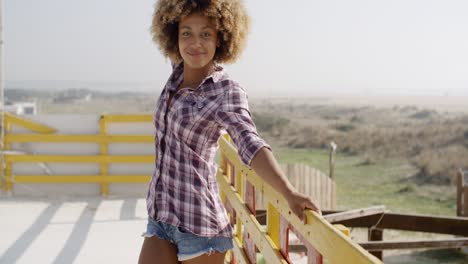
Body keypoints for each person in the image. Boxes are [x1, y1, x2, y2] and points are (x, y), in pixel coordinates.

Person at [138, 1, 321, 263]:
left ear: (221, 38)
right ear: (173, 36)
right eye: (186, 33)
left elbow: (250, 143)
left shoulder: (226, 91)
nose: (195, 43)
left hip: (200, 228)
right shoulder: (177, 73)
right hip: (161, 217)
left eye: (206, 34)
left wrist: (288, 192)